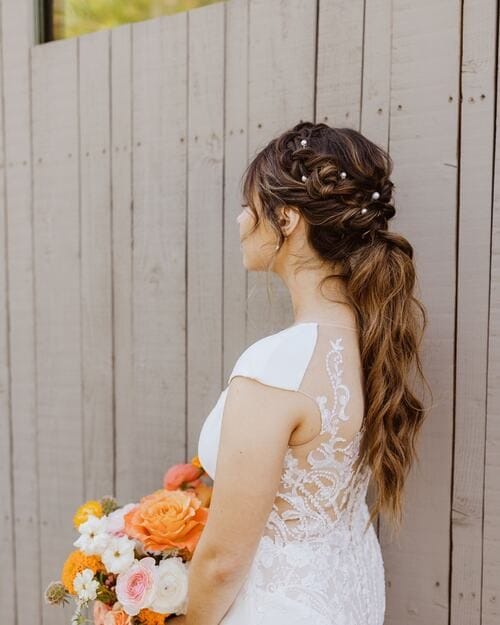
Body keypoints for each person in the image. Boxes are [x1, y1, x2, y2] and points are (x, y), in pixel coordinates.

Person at [169, 121, 431, 625]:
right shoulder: (372, 345)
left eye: (250, 206)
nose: (242, 220)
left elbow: (223, 562)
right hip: (350, 601)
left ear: (286, 219)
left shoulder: (276, 366)